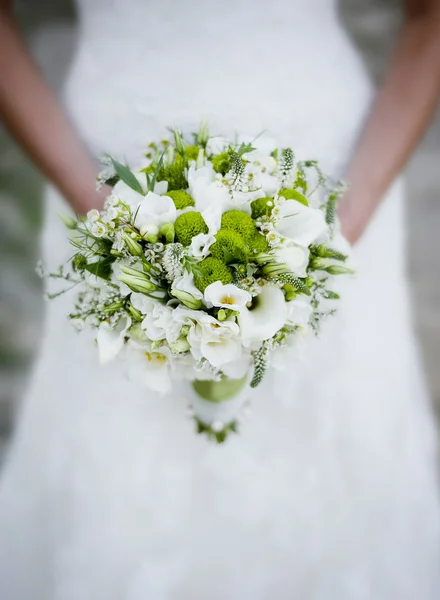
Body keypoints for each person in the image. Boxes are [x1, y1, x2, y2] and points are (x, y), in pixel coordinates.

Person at [0, 0, 440, 598]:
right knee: (121, 477)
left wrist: (336, 235)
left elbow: (429, 18)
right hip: (104, 183)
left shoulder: (337, 227)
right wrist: (103, 214)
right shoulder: (104, 211)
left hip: (332, 184)